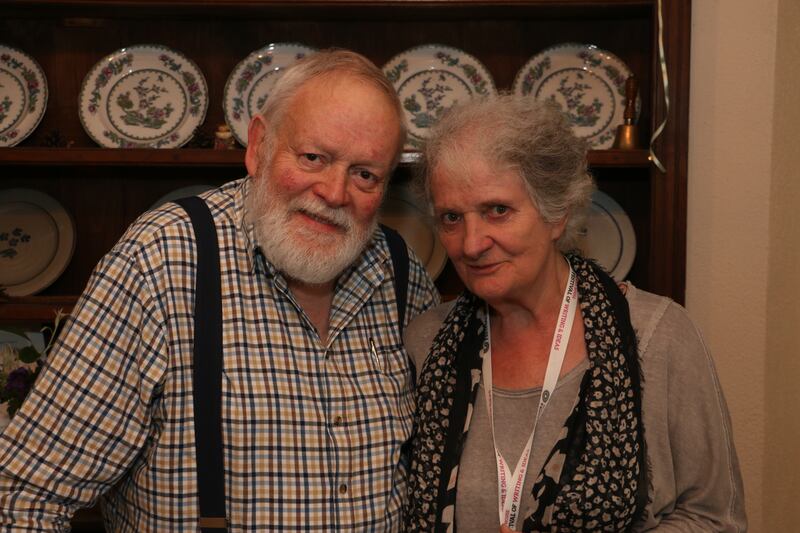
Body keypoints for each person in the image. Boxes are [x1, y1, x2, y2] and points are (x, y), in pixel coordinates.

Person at [0, 49, 439, 531]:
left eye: (365, 174)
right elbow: (24, 499)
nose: (334, 193)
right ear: (258, 145)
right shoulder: (163, 260)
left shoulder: (400, 273)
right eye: (314, 157)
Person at [403, 95, 746, 532]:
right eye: (452, 217)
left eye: (498, 210)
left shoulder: (660, 336)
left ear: (556, 214)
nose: (471, 243)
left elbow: (715, 518)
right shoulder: (425, 343)